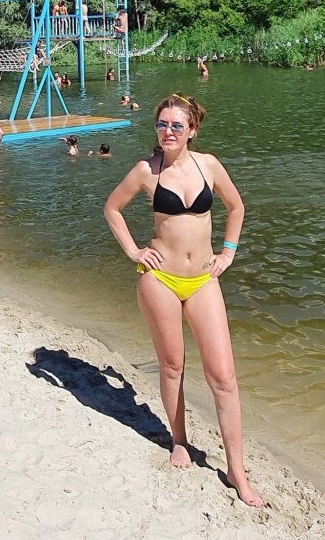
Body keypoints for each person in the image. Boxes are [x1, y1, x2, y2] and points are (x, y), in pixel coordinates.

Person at [101, 95, 262, 507]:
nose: (168, 132)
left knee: (223, 376)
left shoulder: (208, 165)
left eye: (176, 125)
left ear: (192, 130)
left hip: (204, 279)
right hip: (160, 279)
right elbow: (112, 209)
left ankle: (237, 471)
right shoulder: (145, 170)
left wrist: (227, 252)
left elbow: (236, 206)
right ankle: (179, 441)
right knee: (173, 364)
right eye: (162, 125)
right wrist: (134, 251)